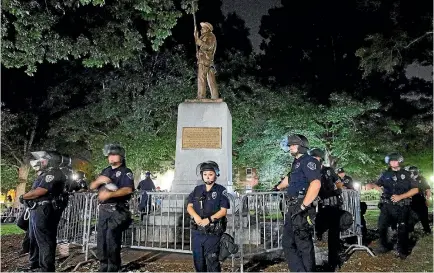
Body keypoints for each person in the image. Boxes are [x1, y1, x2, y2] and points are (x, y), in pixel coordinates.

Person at [275, 134, 321, 272]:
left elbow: (316, 184)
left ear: (301, 146)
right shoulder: (297, 163)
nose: (290, 147)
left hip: (301, 207)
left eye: (293, 145)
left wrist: (303, 206)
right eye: (290, 145)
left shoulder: (309, 161)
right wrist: (276, 188)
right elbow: (290, 179)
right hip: (293, 207)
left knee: (303, 244)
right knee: (288, 243)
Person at [19, 151, 69, 272]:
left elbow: (40, 191)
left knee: (45, 240)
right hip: (37, 209)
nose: (41, 162)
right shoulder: (43, 174)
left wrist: (23, 196)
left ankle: (46, 268)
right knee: (33, 238)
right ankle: (34, 265)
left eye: (44, 160)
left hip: (46, 210)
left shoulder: (54, 173)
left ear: (51, 160)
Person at [90, 143, 134, 272]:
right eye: (109, 155)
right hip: (104, 210)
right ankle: (103, 266)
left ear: (121, 156)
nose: (111, 157)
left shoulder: (126, 171)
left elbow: (127, 189)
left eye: (114, 155)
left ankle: (113, 268)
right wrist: (98, 181)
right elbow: (92, 186)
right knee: (101, 240)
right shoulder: (106, 171)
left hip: (117, 210)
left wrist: (109, 194)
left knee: (111, 240)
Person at [373, 152, 419, 259]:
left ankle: (402, 250)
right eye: (391, 161)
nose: (393, 162)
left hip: (402, 205)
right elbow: (377, 184)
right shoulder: (385, 174)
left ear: (400, 161)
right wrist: (375, 186)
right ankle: (384, 246)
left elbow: (415, 189)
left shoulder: (407, 174)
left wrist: (401, 196)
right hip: (387, 206)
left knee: (402, 228)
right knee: (381, 226)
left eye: (395, 160)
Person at [187, 161, 230, 272]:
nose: (207, 177)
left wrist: (209, 219)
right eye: (205, 174)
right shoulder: (197, 190)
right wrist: (196, 217)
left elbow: (223, 211)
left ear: (216, 174)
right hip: (197, 232)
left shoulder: (220, 190)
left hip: (212, 232)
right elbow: (189, 206)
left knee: (212, 260)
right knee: (198, 261)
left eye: (210, 174)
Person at [309, 148, 343, 271]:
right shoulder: (310, 172)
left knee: (334, 236)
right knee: (315, 229)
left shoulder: (328, 170)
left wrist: (338, 189)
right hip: (318, 207)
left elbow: (338, 181)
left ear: (320, 159)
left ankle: (333, 263)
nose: (313, 161)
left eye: (315, 158)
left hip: (333, 206)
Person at [194, 22, 218, 99]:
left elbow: (208, 46)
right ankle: (215, 97)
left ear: (207, 29)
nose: (201, 29)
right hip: (207, 60)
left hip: (205, 60)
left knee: (201, 77)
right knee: (211, 79)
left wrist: (197, 40)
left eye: (203, 28)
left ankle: (201, 96)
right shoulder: (207, 36)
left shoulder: (210, 36)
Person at [406, 166, 431, 234]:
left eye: (412, 172)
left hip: (421, 199)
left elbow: (427, 189)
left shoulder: (422, 179)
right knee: (410, 216)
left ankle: (427, 230)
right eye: (410, 172)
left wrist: (427, 199)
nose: (411, 173)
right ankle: (410, 230)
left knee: (424, 216)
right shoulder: (408, 180)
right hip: (410, 200)